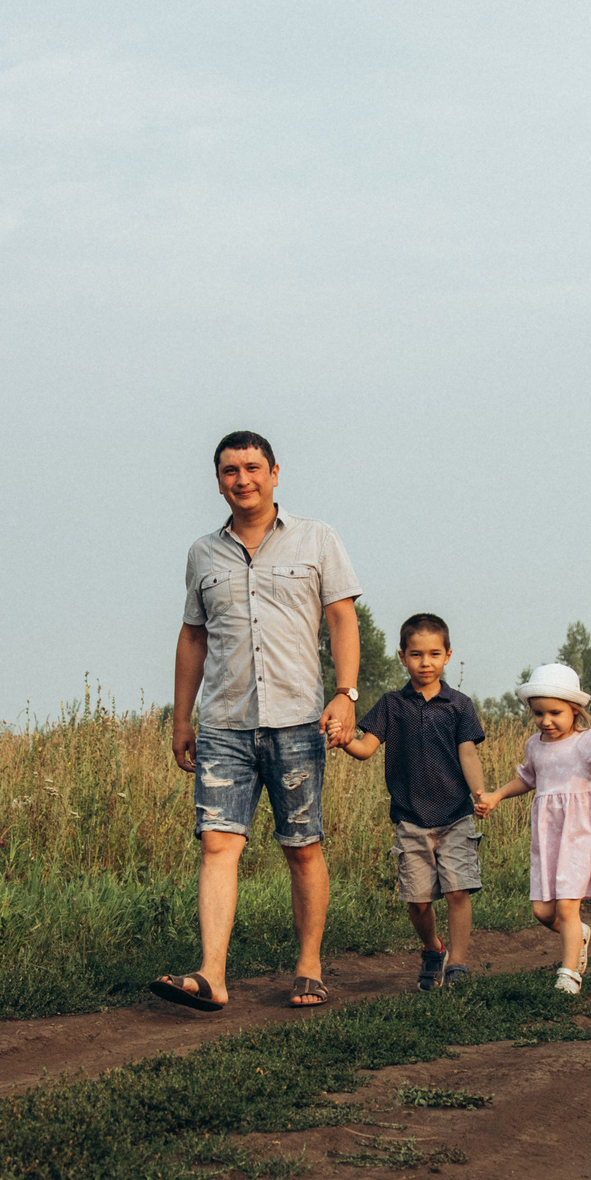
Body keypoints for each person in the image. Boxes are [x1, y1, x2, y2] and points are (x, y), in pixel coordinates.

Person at [154, 431, 364, 1014]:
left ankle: (309, 966)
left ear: (275, 472)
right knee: (218, 845)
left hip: (298, 720)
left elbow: (342, 619)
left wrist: (346, 694)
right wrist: (181, 720)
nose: (241, 480)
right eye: (228, 471)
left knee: (301, 846)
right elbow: (192, 637)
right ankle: (212, 976)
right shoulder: (203, 553)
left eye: (251, 468)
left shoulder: (317, 539)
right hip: (224, 723)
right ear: (217, 479)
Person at [336, 614, 488, 991]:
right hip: (410, 818)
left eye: (434, 654)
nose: (426, 662)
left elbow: (468, 754)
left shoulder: (459, 705)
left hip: (455, 814)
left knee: (457, 891)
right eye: (416, 654)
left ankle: (458, 965)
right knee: (418, 902)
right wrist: (344, 740)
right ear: (402, 657)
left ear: (448, 656)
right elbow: (367, 748)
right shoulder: (391, 705)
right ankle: (432, 948)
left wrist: (481, 793)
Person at [474, 662, 591, 996]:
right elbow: (527, 778)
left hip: (578, 833)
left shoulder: (588, 741)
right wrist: (497, 796)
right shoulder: (535, 744)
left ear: (575, 710)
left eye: (555, 713)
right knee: (543, 911)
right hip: (548, 836)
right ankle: (579, 935)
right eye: (538, 714)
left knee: (566, 907)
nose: (546, 721)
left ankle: (569, 973)